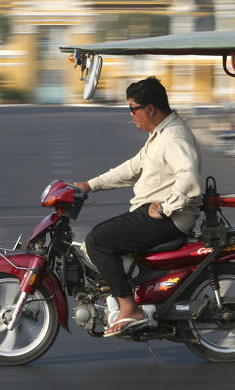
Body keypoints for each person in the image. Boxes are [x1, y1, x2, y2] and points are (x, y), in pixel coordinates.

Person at [74, 77, 202, 337]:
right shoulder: (160, 135)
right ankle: (129, 292)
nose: (131, 115)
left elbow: (190, 178)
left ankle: (129, 308)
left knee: (98, 241)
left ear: (151, 109)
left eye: (133, 108)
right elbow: (133, 168)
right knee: (106, 236)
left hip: (168, 219)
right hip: (153, 213)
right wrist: (89, 185)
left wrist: (166, 208)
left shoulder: (174, 137)